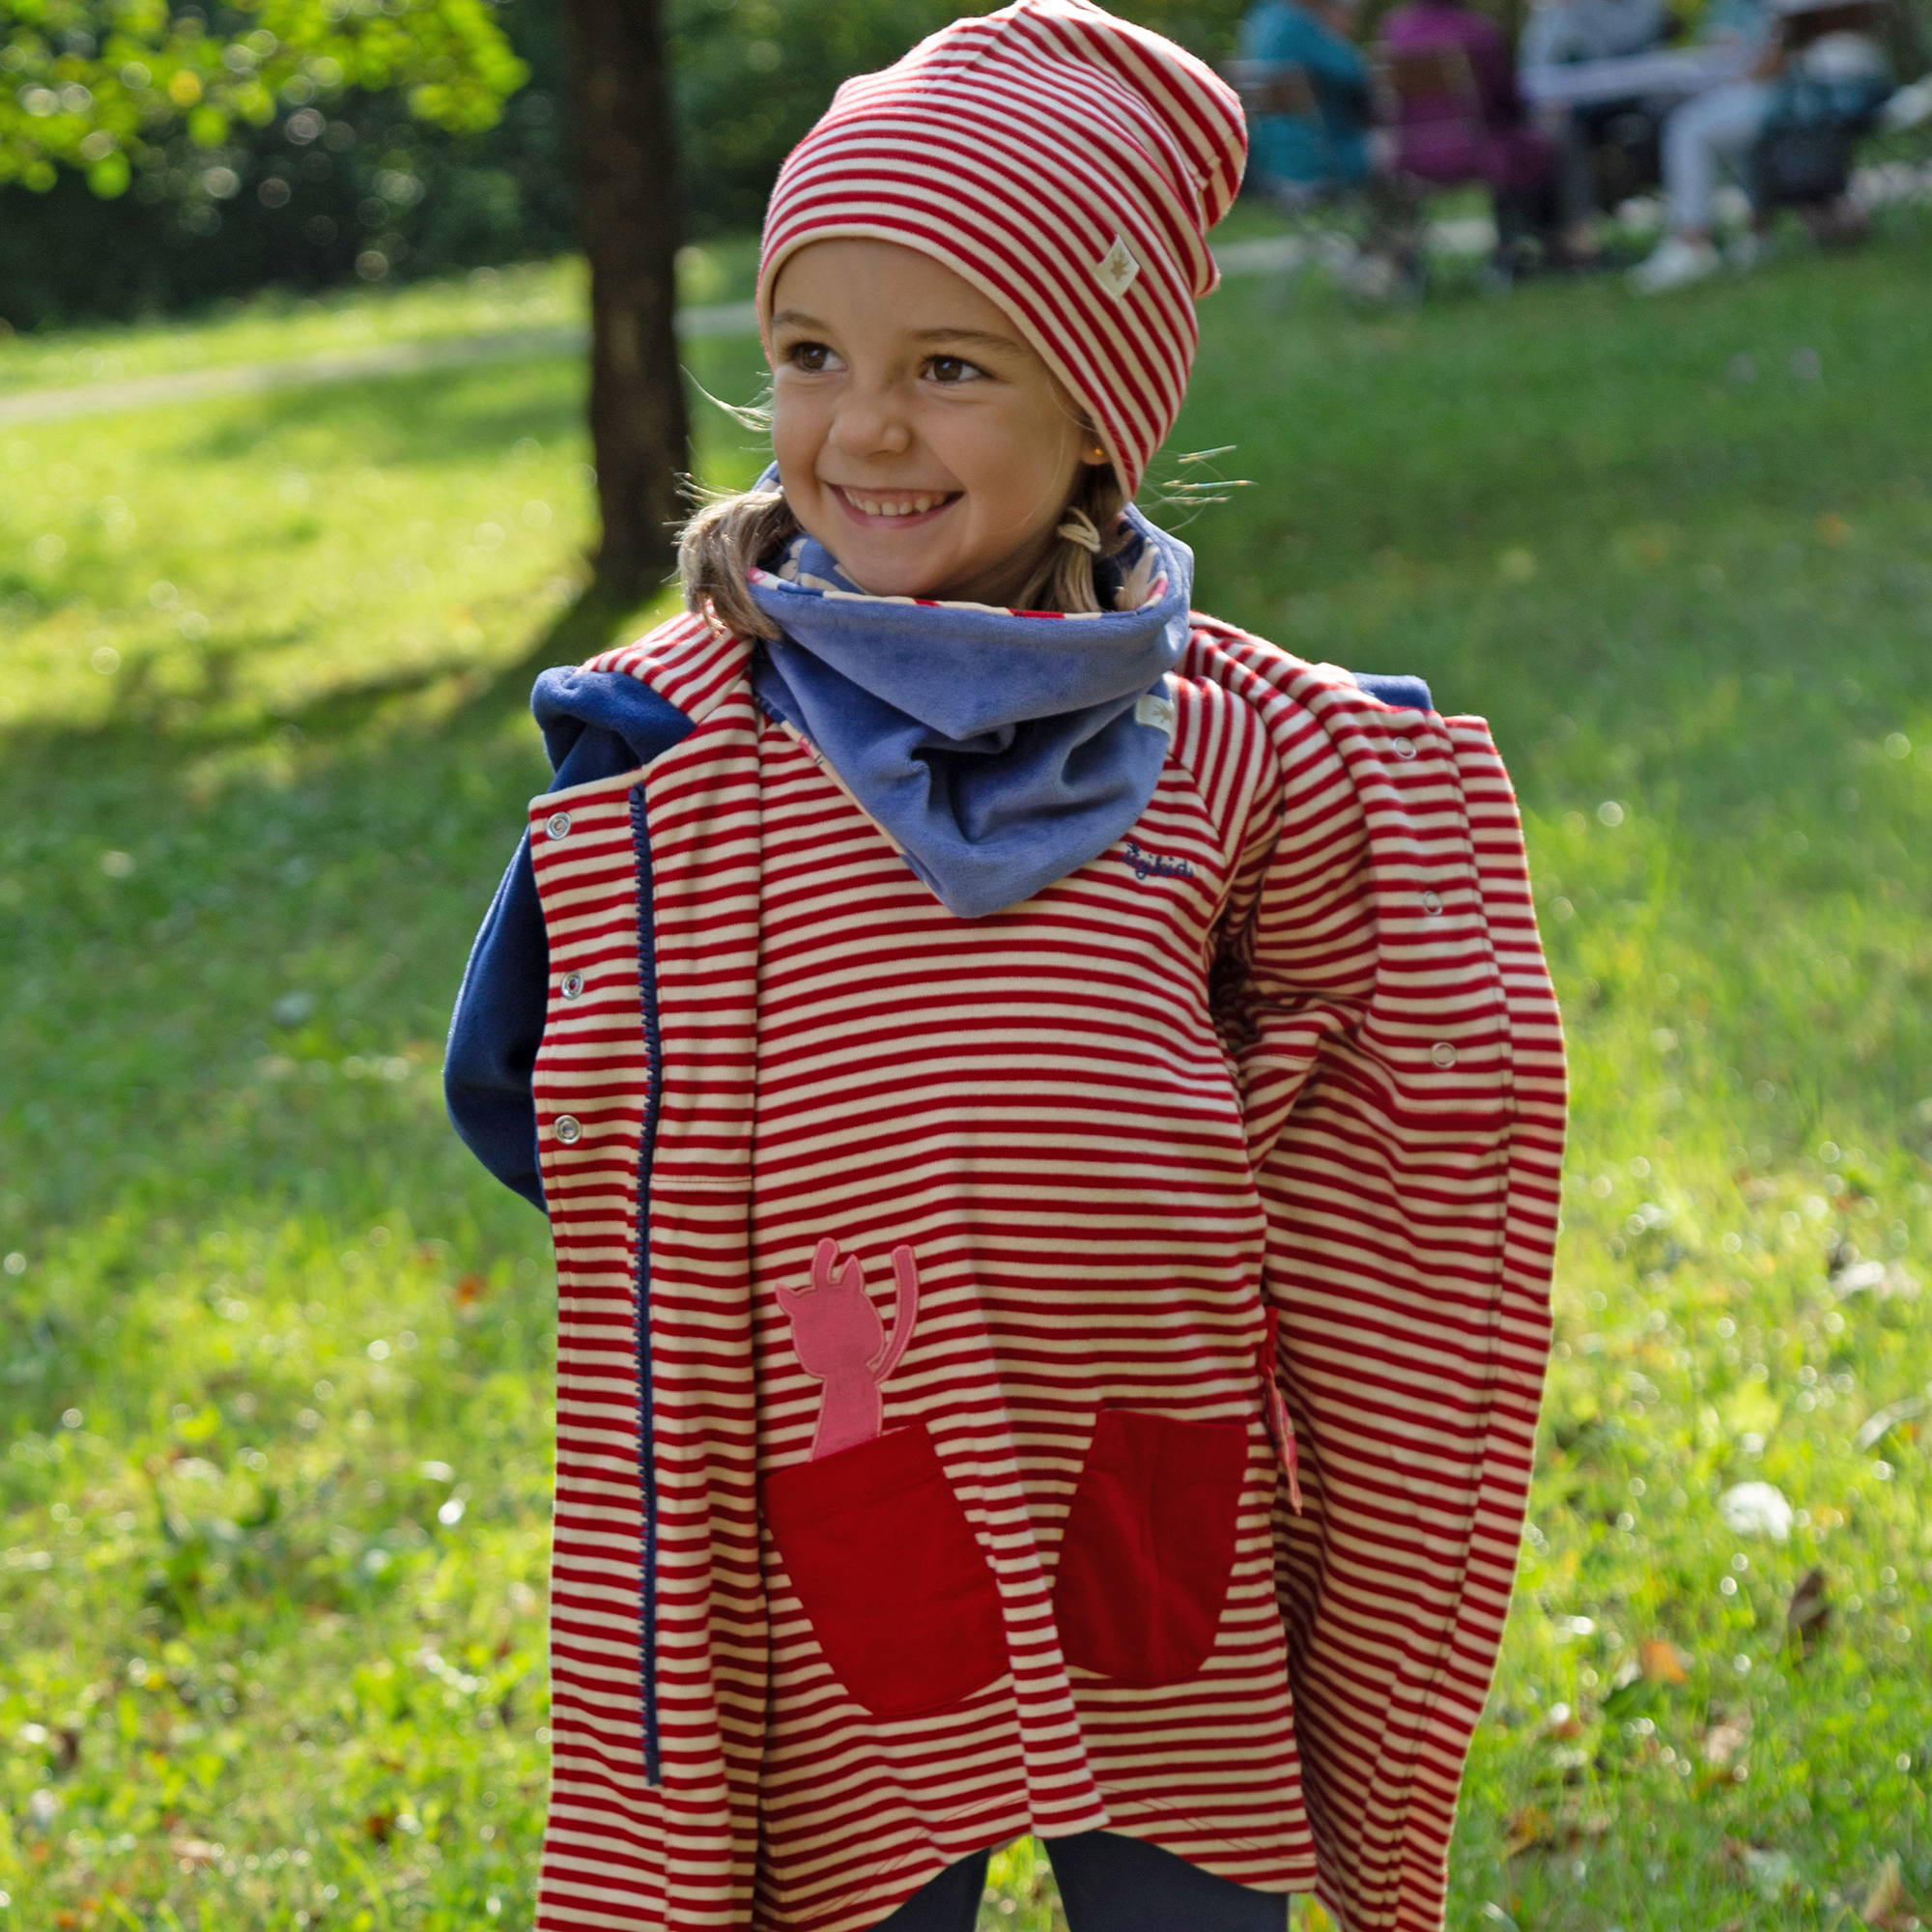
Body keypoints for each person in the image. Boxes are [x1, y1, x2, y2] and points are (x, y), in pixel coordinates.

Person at [444, 3, 1566, 1928]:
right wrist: (752, 1242)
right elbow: (518, 1076)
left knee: (1189, 1875)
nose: (863, 426)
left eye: (947, 367)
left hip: (1156, 1432)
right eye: (811, 357)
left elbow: (1362, 1042)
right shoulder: (689, 744)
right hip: (850, 1447)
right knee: (870, 1867)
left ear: (1097, 413)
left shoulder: (1223, 738)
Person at [1380, 0, 1568, 266]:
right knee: (1547, 143)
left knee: (1525, 144)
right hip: (1475, 154)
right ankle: (1545, 246)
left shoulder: (1395, 32)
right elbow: (1506, 103)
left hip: (1411, 156)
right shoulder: (1477, 31)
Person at [1519, 0, 1669, 251]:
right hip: (1577, 109)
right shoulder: (1557, 12)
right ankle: (1574, 239)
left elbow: (1634, 41)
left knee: (1667, 118)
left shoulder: (1642, 8)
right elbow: (1535, 67)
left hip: (1634, 101)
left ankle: (1684, 229)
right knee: (1556, 135)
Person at [1239, 0, 1376, 199]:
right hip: (1324, 161)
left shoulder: (1262, 17)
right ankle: (1398, 225)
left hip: (1271, 163)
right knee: (1392, 142)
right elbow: (1356, 74)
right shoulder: (1299, 25)